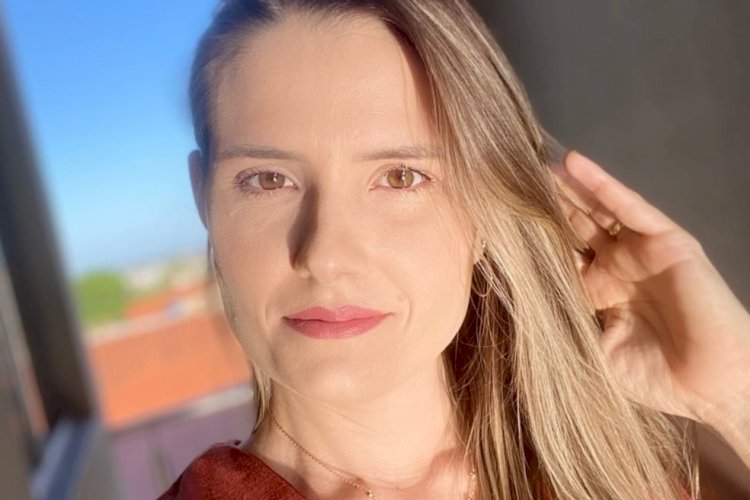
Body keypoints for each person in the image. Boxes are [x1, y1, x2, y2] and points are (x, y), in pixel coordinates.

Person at [160, 0, 750, 498]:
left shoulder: (618, 478)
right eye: (268, 180)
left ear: (484, 205)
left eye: (400, 177)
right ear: (204, 199)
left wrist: (734, 394)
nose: (326, 255)